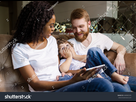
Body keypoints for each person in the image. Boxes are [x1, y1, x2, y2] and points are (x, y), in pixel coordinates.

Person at [9, 1, 127, 92]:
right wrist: (71, 81)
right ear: (39, 25)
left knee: (120, 89)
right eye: (50, 25)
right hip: (47, 91)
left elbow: (58, 68)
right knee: (103, 84)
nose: (53, 28)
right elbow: (35, 83)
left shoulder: (50, 40)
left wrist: (76, 73)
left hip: (62, 80)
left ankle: (112, 75)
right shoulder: (19, 49)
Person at [67, 8, 136, 92]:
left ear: (89, 24)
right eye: (74, 27)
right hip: (91, 77)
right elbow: (61, 68)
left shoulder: (100, 37)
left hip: (106, 74)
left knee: (124, 87)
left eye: (81, 26)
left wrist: (120, 56)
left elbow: (120, 47)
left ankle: (113, 76)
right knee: (93, 51)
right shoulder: (68, 44)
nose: (78, 31)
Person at [56, 38, 131, 92]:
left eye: (67, 45)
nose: (66, 48)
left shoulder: (78, 53)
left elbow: (90, 57)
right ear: (61, 55)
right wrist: (69, 57)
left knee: (93, 50)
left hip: (96, 70)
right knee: (120, 89)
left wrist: (75, 56)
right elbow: (63, 69)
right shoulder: (63, 60)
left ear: (72, 47)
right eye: (63, 48)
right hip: (86, 75)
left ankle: (113, 74)